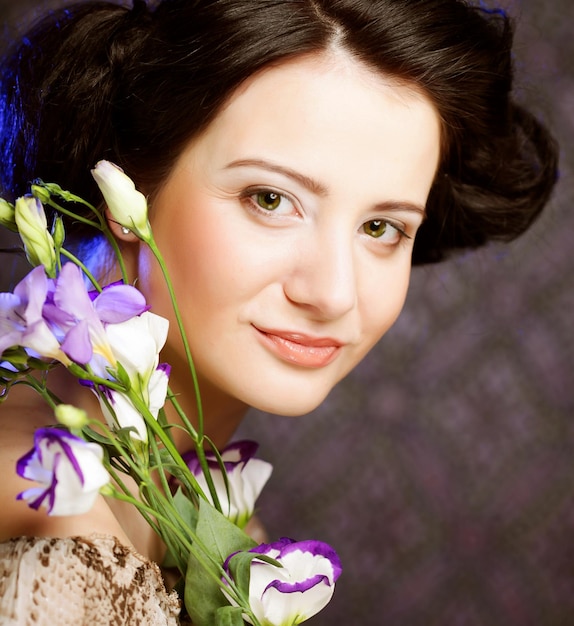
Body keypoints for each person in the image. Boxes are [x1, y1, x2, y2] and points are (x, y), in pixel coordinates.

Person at [0, 0, 558, 623]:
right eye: (270, 198)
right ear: (121, 189)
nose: (334, 292)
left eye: (382, 226)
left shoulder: (196, 504)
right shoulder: (58, 529)